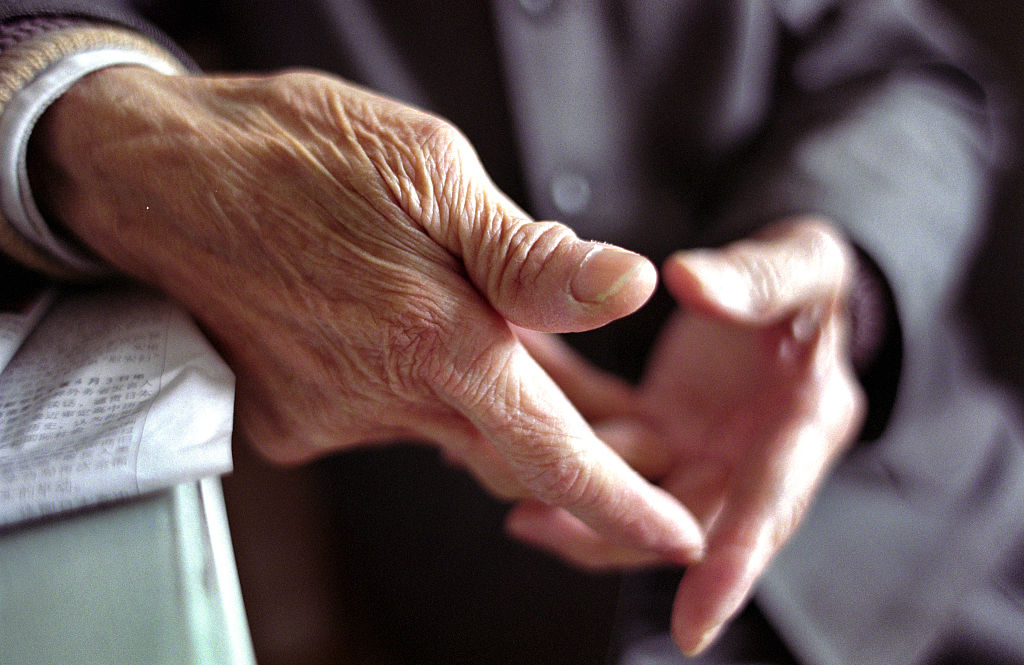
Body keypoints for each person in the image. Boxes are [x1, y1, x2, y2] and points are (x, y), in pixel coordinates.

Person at [0, 2, 1021, 664]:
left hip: (933, 539)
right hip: (472, 593)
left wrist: (837, 264)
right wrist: (114, 133)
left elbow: (907, 69)